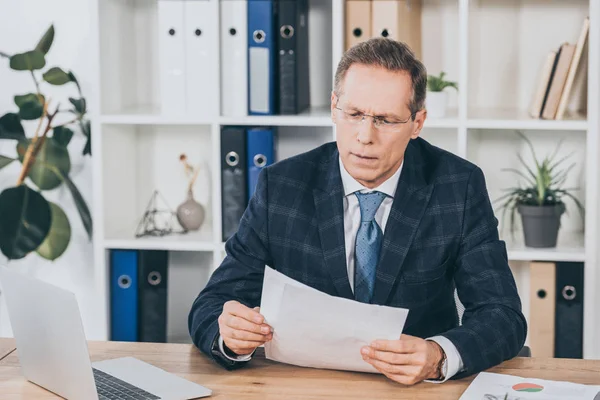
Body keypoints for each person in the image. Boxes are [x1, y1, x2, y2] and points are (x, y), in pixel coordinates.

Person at [188, 38, 527, 385]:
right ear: (335, 107)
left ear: (417, 122)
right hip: (303, 387)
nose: (365, 136)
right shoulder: (283, 186)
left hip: (413, 391)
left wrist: (440, 356)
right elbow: (212, 303)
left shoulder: (458, 185)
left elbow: (502, 315)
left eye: (386, 120)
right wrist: (229, 335)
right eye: (354, 115)